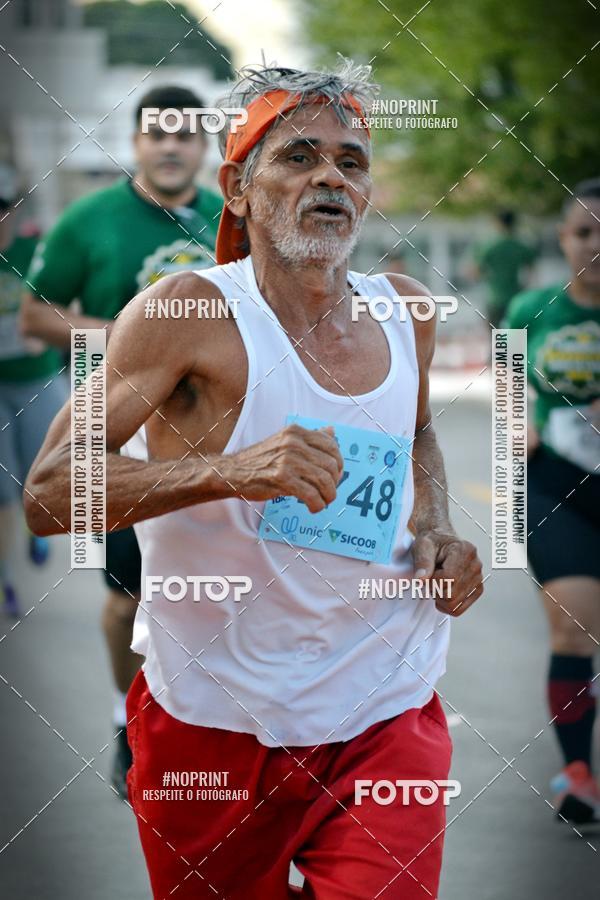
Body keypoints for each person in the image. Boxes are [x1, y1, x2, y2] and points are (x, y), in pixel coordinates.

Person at [25, 62, 484, 899]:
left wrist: (439, 528)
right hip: (213, 722)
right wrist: (231, 471)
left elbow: (415, 431)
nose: (330, 179)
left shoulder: (407, 310)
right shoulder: (182, 314)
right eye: (300, 157)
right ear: (236, 187)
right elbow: (51, 491)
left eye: (351, 161)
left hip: (384, 710)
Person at [21, 84, 222, 797]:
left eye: (186, 135)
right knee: (129, 595)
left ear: (204, 147)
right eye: (157, 134)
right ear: (137, 143)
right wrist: (136, 343)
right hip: (127, 439)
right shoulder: (90, 220)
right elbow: (36, 317)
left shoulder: (234, 222)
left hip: (221, 438)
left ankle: (214, 730)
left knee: (225, 591)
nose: (171, 146)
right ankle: (124, 715)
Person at [503, 178, 600, 824]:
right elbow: (507, 407)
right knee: (574, 626)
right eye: (584, 231)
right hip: (555, 487)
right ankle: (578, 772)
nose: (596, 244)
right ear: (563, 240)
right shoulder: (528, 309)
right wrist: (520, 429)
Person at [0, 164, 66, 617]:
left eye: (1, 208)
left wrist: (45, 329)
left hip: (39, 377)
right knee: (1, 490)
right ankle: (4, 581)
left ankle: (35, 531)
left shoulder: (36, 245)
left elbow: (65, 303)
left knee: (42, 472)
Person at [474, 209, 537, 327]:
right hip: (516, 298)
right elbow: (532, 271)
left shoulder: (489, 246)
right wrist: (525, 287)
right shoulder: (521, 246)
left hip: (495, 298)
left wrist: (489, 278)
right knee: (515, 337)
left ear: (498, 223)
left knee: (497, 339)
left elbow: (475, 272)